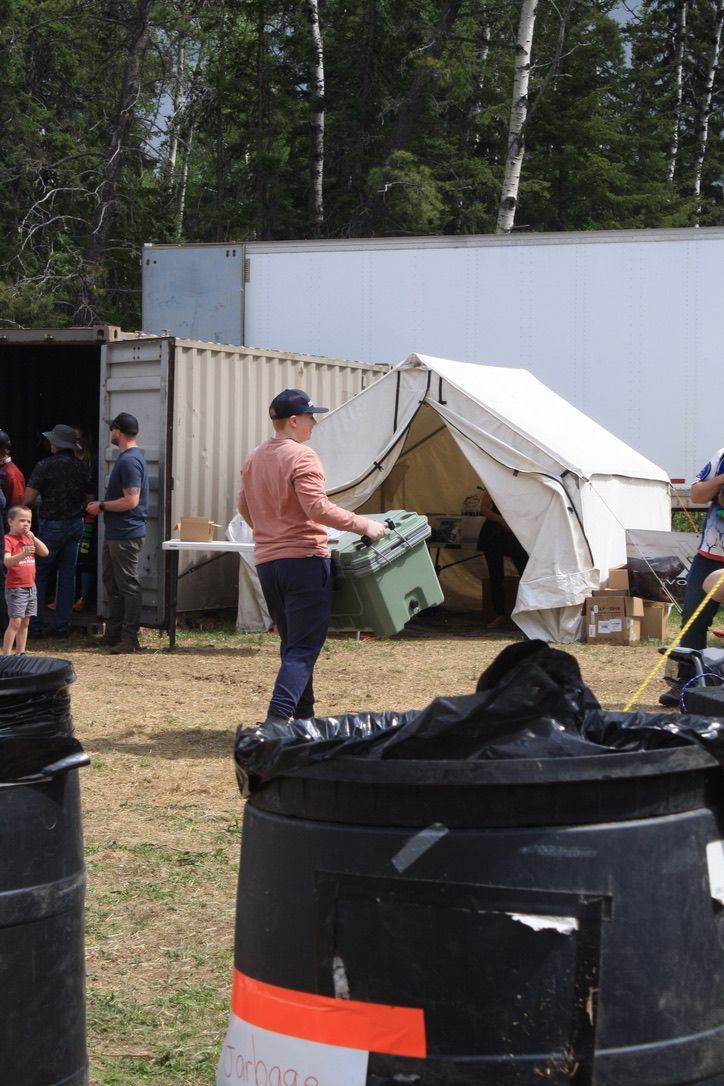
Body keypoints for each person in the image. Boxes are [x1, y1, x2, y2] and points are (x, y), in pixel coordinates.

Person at [237, 387, 386, 724]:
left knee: (293, 645)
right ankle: (277, 720)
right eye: (309, 417)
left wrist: (270, 531)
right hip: (303, 561)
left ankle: (305, 721)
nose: (314, 424)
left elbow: (243, 505)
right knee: (304, 649)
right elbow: (316, 508)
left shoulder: (254, 456)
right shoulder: (303, 456)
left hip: (268, 563)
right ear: (293, 420)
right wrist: (364, 525)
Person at [660, 450, 724, 705]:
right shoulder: (722, 455)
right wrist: (720, 480)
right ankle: (686, 683)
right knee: (692, 618)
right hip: (709, 557)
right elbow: (697, 495)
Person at [86, 413, 149, 654]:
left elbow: (131, 501)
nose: (110, 433)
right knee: (112, 583)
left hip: (125, 533)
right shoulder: (130, 458)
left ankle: (129, 637)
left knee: (128, 585)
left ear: (118, 431)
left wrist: (101, 505)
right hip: (117, 532)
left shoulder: (129, 461)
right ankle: (114, 633)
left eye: (112, 429)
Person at [23, 424, 93, 638]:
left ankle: (35, 625)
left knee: (40, 574)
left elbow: (27, 498)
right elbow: (88, 499)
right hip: (75, 525)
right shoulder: (82, 467)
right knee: (68, 575)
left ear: (58, 444)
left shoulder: (44, 465)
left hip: (51, 525)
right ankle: (62, 626)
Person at [476, 489, 528, 629]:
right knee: (496, 575)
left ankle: (527, 613)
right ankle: (500, 614)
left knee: (525, 571)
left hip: (514, 532)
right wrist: (501, 521)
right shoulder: (492, 483)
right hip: (494, 533)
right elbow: (484, 509)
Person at [3, 506, 49, 655]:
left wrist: (33, 538)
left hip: (31, 586)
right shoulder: (8, 539)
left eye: (28, 521)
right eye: (21, 520)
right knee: (15, 621)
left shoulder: (28, 539)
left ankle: (20, 653)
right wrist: (22, 554)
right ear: (10, 521)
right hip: (16, 587)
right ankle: (6, 655)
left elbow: (45, 552)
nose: (26, 524)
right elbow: (7, 562)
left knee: (25, 622)